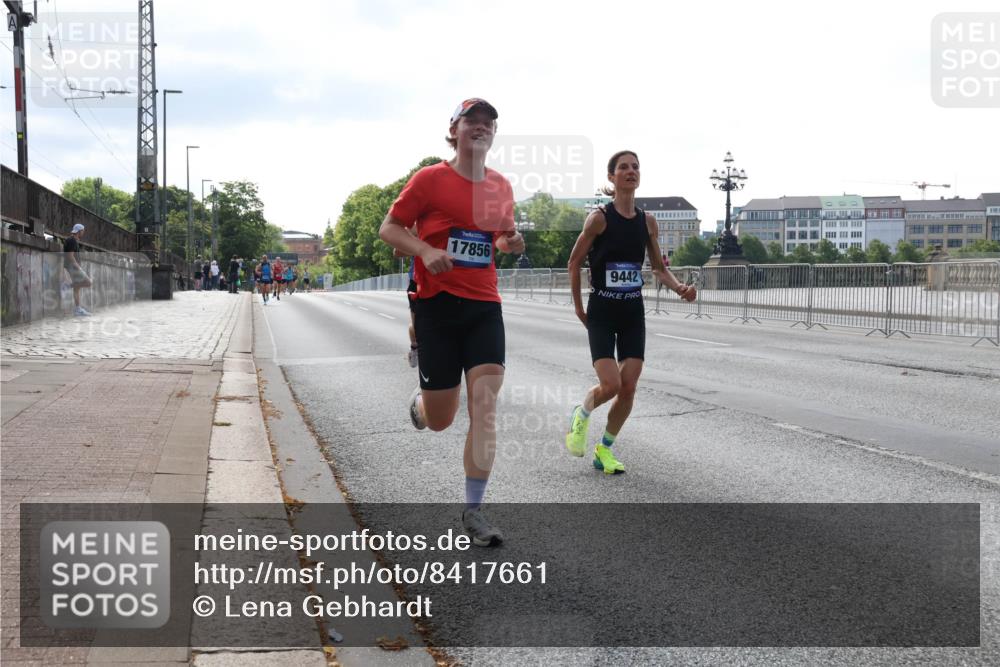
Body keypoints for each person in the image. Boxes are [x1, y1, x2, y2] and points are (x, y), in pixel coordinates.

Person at [378, 97, 524, 547]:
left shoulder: (500, 186)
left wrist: (511, 242)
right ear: (454, 129)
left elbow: (500, 238)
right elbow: (390, 228)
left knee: (485, 405)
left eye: (488, 123)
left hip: (484, 305)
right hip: (436, 306)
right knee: (442, 418)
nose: (481, 127)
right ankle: (421, 405)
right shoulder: (430, 180)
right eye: (472, 121)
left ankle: (475, 511)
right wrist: (424, 250)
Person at [564, 150, 696, 474]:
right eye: (623, 167)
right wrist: (580, 308)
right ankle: (581, 414)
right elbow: (573, 262)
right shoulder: (599, 218)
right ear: (612, 177)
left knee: (629, 387)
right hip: (603, 310)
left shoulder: (647, 222)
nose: (631, 171)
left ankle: (604, 450)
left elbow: (657, 268)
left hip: (632, 311)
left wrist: (680, 287)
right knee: (609, 385)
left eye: (635, 166)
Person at [63, 223, 92, 316]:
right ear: (79, 231)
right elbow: (70, 256)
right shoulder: (72, 240)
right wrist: (79, 268)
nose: (83, 233)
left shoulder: (72, 240)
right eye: (83, 231)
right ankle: (68, 286)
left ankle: (78, 309)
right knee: (88, 282)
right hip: (73, 267)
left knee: (77, 288)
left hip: (70, 266)